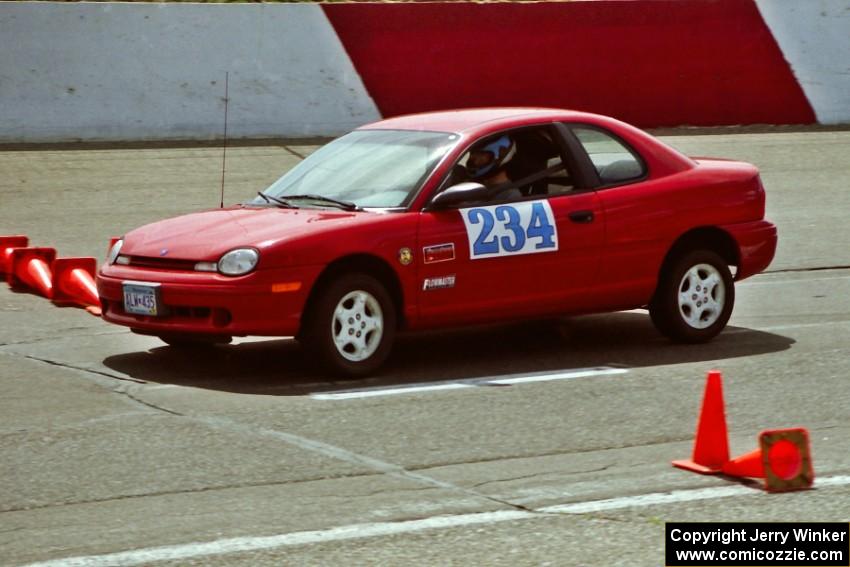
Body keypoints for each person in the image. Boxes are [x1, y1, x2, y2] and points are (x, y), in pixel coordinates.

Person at [464, 135, 523, 200]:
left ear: (500, 158)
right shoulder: (470, 183)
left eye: (481, 154)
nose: (473, 158)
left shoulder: (510, 195)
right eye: (473, 153)